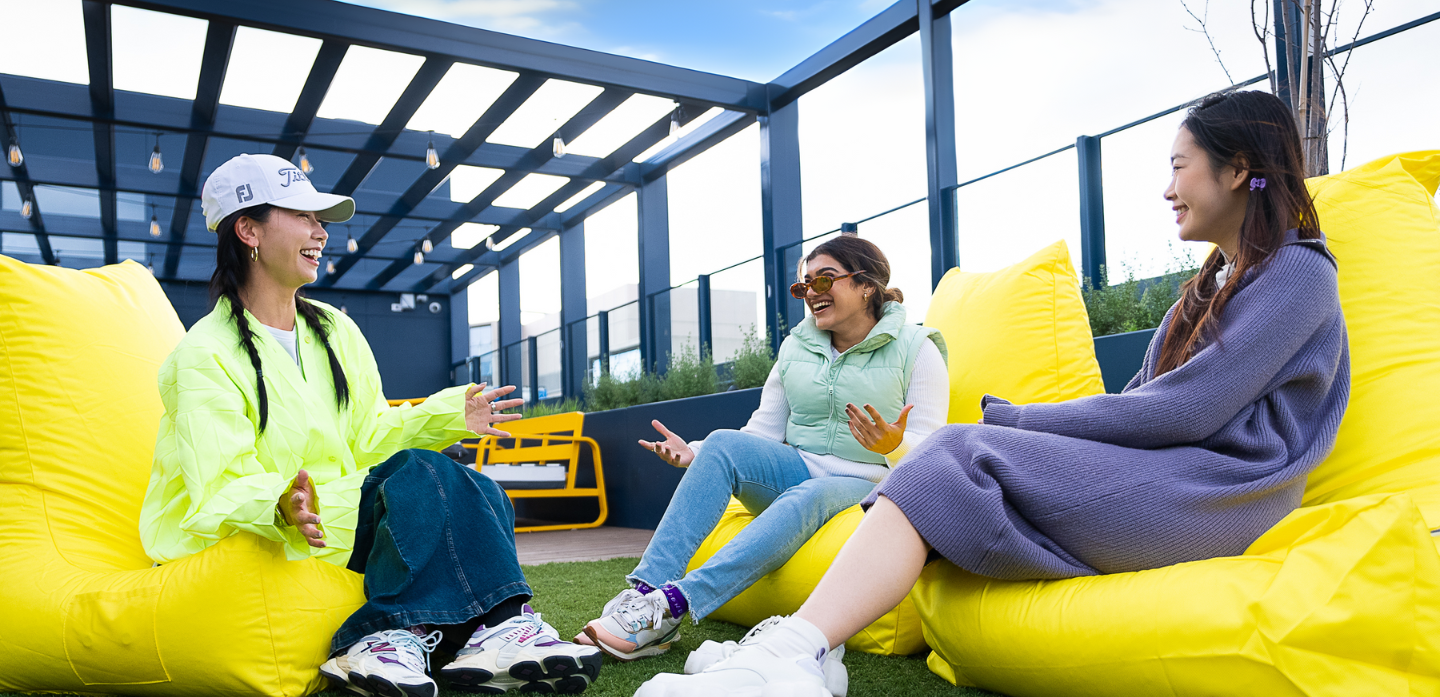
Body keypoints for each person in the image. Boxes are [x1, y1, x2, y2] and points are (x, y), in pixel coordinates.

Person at [634, 89, 1352, 697]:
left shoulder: (1297, 273)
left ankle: (790, 653)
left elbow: (1183, 410)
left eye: (1178, 167)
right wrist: (1021, 431)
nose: (1168, 189)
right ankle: (803, 650)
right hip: (1176, 473)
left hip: (1222, 489)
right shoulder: (1207, 286)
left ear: (1238, 169)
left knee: (958, 449)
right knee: (952, 452)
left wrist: (1018, 421)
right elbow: (1141, 400)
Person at [137, 154, 602, 697]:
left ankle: (478, 632)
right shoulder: (203, 354)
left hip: (332, 510)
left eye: (322, 221)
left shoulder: (334, 328)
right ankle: (455, 629)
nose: (320, 232)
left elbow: (370, 435)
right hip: (256, 522)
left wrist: (453, 414)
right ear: (248, 230)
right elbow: (216, 486)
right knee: (424, 481)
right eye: (303, 217)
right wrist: (278, 504)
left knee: (477, 488)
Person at [579, 235, 948, 681]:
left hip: (869, 479)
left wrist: (892, 447)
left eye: (825, 278)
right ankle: (644, 594)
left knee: (807, 493)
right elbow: (761, 431)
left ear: (867, 284)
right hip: (798, 463)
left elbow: (929, 453)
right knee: (721, 441)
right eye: (804, 285)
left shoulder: (917, 347)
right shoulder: (797, 347)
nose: (811, 291)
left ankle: (674, 603)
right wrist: (694, 453)